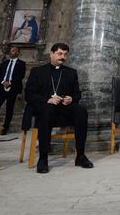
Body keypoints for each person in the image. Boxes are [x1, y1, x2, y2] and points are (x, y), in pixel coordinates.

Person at [24, 42, 93, 173]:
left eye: (65, 54)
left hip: (63, 109)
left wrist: (71, 98)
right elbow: (29, 94)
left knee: (81, 111)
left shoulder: (71, 73)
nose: (63, 57)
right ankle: (43, 158)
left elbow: (77, 94)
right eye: (60, 54)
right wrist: (48, 100)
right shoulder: (38, 71)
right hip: (44, 109)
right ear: (51, 54)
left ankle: (80, 155)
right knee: (47, 109)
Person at [0, 46, 26, 135]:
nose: (11, 52)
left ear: (17, 52)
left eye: (13, 51)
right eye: (11, 51)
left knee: (9, 108)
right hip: (1, 87)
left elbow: (21, 76)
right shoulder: (5, 63)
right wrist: (3, 82)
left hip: (13, 88)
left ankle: (5, 128)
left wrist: (10, 82)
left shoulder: (21, 63)